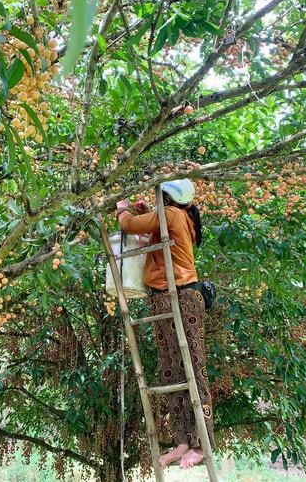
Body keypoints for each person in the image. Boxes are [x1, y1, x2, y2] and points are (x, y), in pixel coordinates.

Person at [115, 179, 213, 470]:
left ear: (167, 199)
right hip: (164, 297)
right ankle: (183, 440)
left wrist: (121, 207)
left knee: (193, 366)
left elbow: (130, 225)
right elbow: (149, 222)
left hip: (181, 294)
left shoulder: (171, 214)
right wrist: (145, 211)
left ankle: (201, 443)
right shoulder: (173, 215)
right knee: (171, 369)